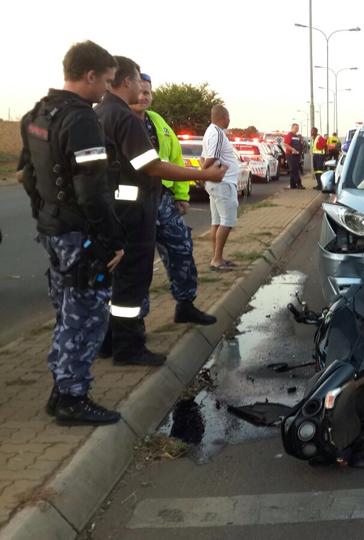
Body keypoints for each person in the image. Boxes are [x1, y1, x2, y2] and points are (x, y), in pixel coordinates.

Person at [18, 40, 124, 424]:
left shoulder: (37, 113)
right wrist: (110, 240)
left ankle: (61, 389)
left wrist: (45, 215)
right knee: (87, 315)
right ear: (89, 75)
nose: (106, 90)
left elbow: (26, 174)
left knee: (66, 312)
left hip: (53, 230)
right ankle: (72, 398)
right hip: (80, 234)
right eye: (106, 82)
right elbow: (92, 189)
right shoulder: (81, 119)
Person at [97, 56, 225, 367]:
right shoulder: (121, 117)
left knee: (135, 273)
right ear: (126, 81)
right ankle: (126, 344)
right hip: (132, 208)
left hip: (139, 202)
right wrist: (205, 175)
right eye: (139, 80)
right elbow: (151, 166)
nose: (142, 88)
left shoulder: (109, 113)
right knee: (131, 278)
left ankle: (117, 339)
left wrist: (179, 194)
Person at [131, 73, 216, 325]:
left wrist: (181, 195)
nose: (143, 96)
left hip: (163, 199)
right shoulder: (120, 121)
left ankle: (186, 304)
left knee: (182, 249)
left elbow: (175, 159)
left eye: (147, 92)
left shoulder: (157, 121)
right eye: (139, 91)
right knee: (139, 262)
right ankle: (133, 324)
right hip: (134, 203)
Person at [201, 105, 241, 270]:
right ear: (223, 117)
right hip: (223, 183)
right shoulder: (217, 133)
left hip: (218, 183)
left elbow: (202, 157)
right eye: (228, 116)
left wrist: (203, 171)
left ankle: (217, 257)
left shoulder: (209, 131)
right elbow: (211, 158)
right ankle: (217, 260)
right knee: (227, 222)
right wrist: (204, 172)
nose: (230, 120)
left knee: (217, 221)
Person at [282, 123, 304, 189]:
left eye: (298, 128)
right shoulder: (289, 135)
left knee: (293, 170)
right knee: (294, 169)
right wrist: (292, 149)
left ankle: (293, 185)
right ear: (292, 128)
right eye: (295, 128)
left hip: (296, 155)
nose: (297, 129)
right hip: (290, 155)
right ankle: (299, 184)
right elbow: (285, 144)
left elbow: (299, 145)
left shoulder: (296, 136)